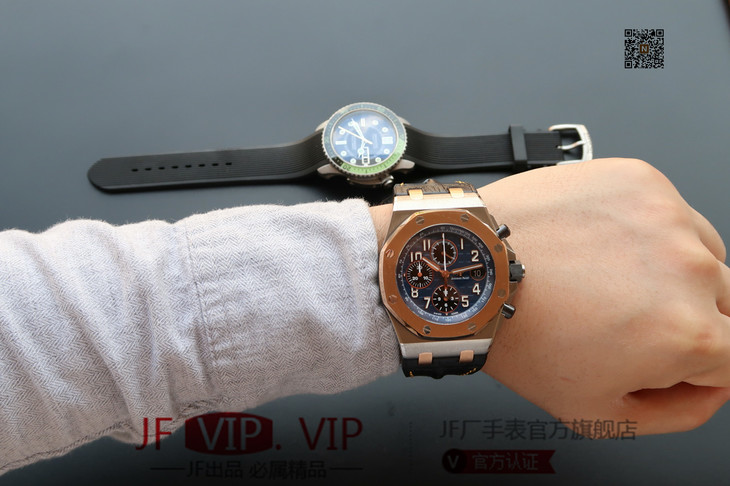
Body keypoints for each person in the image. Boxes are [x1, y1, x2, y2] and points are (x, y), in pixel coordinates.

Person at [0, 158, 728, 474]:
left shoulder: (476, 271)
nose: (449, 274)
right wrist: (357, 279)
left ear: (503, 283)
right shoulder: (482, 288)